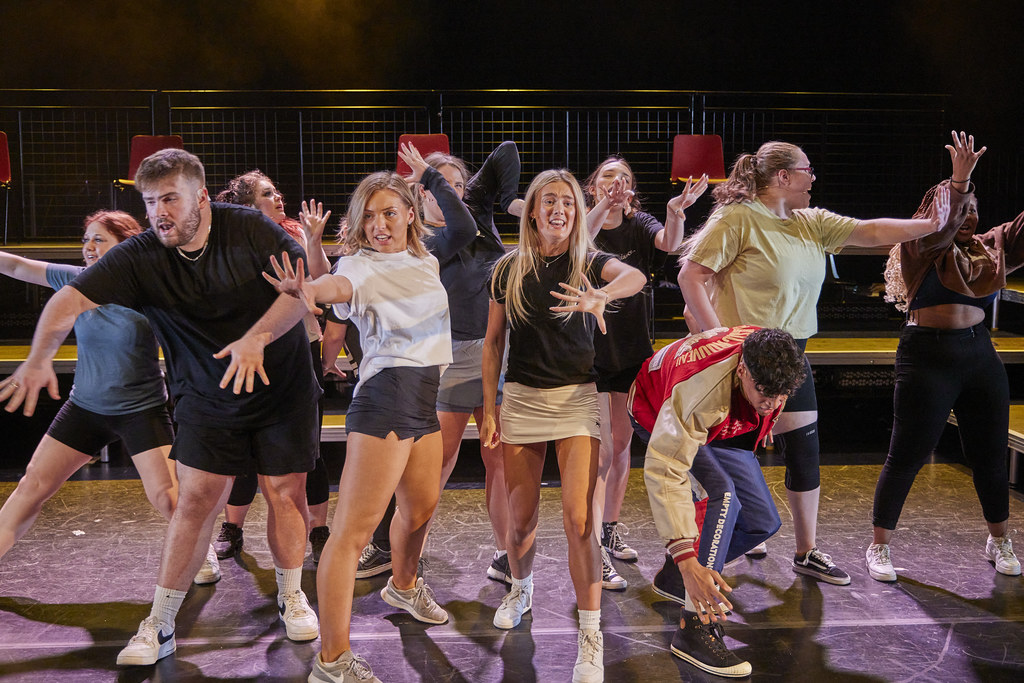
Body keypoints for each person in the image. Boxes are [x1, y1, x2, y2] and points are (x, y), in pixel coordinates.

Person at [0, 148, 322, 666]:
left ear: (200, 196)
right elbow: (67, 300)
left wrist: (257, 337)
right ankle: (161, 621)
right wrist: (39, 358)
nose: (159, 213)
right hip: (205, 396)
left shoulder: (250, 231)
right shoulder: (142, 253)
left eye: (170, 198)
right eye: (150, 202)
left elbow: (301, 286)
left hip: (280, 390)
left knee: (286, 493)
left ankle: (292, 593)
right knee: (194, 501)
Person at [678, 140, 950, 586]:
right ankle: (725, 538)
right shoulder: (738, 218)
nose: (813, 178)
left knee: (805, 450)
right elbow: (691, 274)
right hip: (744, 359)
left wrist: (931, 223)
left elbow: (872, 230)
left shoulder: (812, 222)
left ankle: (807, 551)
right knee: (735, 455)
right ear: (782, 177)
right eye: (807, 170)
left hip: (792, 354)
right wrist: (721, 341)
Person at [256, 171, 453, 683]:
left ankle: (403, 587)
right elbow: (333, 286)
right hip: (386, 400)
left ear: (411, 214)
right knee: (350, 535)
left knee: (421, 509)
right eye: (369, 215)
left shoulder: (426, 260)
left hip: (425, 399)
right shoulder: (357, 266)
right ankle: (332, 660)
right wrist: (308, 289)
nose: (379, 223)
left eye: (389, 212)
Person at [480, 169, 646, 683]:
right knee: (521, 519)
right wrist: (490, 407)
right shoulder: (507, 269)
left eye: (568, 203)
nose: (559, 210)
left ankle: (589, 635)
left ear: (577, 214)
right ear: (532, 210)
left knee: (580, 521)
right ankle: (521, 587)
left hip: (576, 400)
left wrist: (602, 295)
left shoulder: (588, 262)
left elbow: (634, 278)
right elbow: (492, 345)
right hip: (523, 402)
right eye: (549, 201)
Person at [0, 211, 221, 583]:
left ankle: (201, 551)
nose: (88, 248)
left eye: (99, 240)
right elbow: (19, 267)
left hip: (141, 411)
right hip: (84, 408)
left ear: (125, 247)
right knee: (32, 486)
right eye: (86, 239)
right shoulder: (73, 282)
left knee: (168, 498)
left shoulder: (148, 292)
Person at [355, 142, 521, 584]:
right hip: (447, 359)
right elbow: (459, 228)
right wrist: (428, 178)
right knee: (435, 465)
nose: (450, 192)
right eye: (438, 186)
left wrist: (503, 199)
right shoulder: (425, 243)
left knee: (498, 462)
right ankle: (401, 553)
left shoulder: (479, 221)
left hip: (494, 354)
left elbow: (505, 152)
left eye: (458, 185)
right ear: (421, 195)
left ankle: (506, 556)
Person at [868, 131, 1024, 581]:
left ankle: (999, 539)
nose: (969, 216)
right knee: (907, 455)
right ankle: (879, 547)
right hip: (927, 358)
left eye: (974, 209)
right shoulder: (920, 247)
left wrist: (964, 192)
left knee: (989, 454)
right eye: (961, 209)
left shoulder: (985, 251)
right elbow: (939, 230)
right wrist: (958, 184)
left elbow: (1019, 232)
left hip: (979, 357)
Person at [629, 325, 805, 677]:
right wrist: (685, 555)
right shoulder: (700, 389)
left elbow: (769, 393)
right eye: (764, 392)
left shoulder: (775, 362)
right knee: (720, 497)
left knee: (761, 520)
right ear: (742, 369)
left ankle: (674, 580)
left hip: (722, 422)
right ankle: (694, 629)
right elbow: (666, 472)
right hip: (659, 408)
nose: (772, 402)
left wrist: (764, 412)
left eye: (781, 394)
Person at [583, 155, 708, 590]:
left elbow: (670, 244)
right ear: (594, 185)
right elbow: (582, 238)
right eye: (606, 178)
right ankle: (593, 544)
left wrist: (677, 213)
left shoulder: (640, 222)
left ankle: (611, 526)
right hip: (592, 350)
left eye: (623, 178)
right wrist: (601, 205)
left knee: (621, 446)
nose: (615, 184)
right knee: (600, 452)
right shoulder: (583, 221)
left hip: (631, 349)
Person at [213, 170, 335, 563]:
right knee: (245, 446)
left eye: (277, 189)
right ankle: (232, 527)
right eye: (268, 193)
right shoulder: (232, 244)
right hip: (253, 354)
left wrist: (314, 240)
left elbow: (321, 279)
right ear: (248, 206)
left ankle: (318, 529)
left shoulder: (295, 233)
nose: (278, 196)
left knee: (308, 449)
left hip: (301, 350)